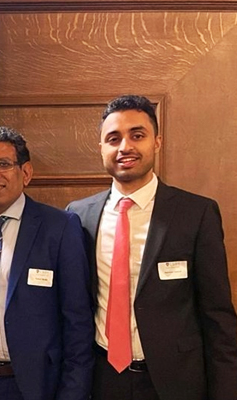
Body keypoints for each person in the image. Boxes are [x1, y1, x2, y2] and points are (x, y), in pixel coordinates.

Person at [66, 94, 237, 400]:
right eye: (113, 138)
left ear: (157, 142)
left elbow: (218, 317)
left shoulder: (195, 214)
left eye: (137, 135)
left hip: (175, 382)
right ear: (101, 148)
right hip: (101, 379)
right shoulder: (78, 215)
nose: (125, 147)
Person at [0, 126, 94, 400]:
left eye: (3, 164)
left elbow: (78, 323)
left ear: (26, 173)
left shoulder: (59, 228)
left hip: (34, 387)